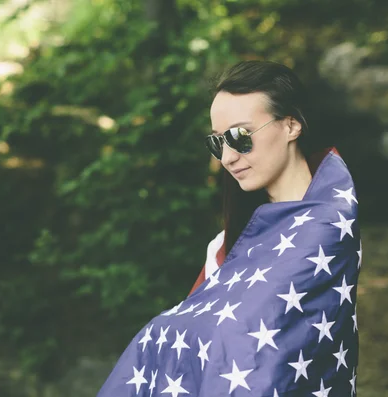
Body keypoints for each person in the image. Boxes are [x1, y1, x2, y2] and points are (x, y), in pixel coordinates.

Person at [97, 61, 361, 396]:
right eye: (217, 142)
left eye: (239, 136)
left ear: (291, 125)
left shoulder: (326, 227)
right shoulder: (227, 246)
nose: (227, 157)